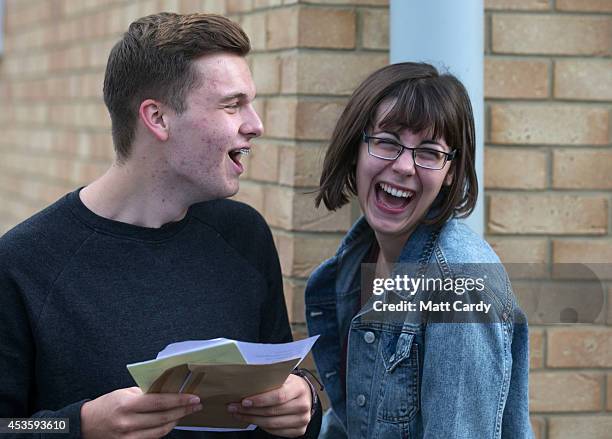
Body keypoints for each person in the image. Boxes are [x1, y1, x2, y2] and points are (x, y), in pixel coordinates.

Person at [0, 12, 321, 439]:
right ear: (158, 118)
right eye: (232, 104)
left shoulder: (244, 235)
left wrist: (306, 401)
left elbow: (285, 393)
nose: (255, 125)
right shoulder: (23, 263)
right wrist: (80, 427)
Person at [305, 63, 532, 438]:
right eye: (387, 142)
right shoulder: (356, 261)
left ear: (449, 174)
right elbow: (351, 423)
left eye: (428, 152)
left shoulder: (460, 281)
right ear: (355, 149)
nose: (404, 166)